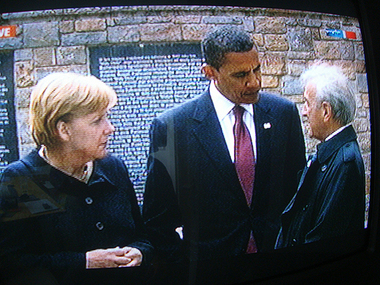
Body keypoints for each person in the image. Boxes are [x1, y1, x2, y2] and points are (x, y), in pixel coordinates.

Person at [142, 25, 306, 267]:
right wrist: (184, 267)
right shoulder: (172, 128)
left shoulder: (284, 114)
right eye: (240, 75)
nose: (254, 82)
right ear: (210, 72)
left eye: (257, 69)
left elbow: (298, 194)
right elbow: (157, 219)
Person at [0, 73, 153, 284]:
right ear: (64, 130)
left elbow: (142, 235)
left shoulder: (113, 167)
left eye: (107, 117)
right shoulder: (25, 180)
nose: (110, 128)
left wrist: (140, 251)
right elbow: (12, 264)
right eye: (97, 120)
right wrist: (85, 261)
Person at [275, 64, 365, 248]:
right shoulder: (333, 155)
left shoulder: (345, 163)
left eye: (307, 103)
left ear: (326, 111)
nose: (304, 112)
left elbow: (324, 237)